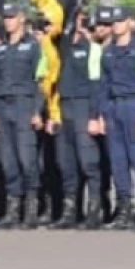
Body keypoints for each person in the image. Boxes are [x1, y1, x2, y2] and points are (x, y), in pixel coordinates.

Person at [0, 3, 47, 226]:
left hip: (24, 104)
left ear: (22, 19)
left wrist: (37, 111)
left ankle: (32, 206)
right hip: (3, 105)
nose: (8, 21)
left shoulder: (33, 46)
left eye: (12, 17)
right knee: (7, 159)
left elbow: (40, 81)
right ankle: (13, 207)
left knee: (26, 158)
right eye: (6, 17)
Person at [98, 8, 135, 230]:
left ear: (130, 23)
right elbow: (103, 86)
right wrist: (102, 114)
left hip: (134, 104)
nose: (116, 25)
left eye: (120, 21)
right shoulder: (108, 52)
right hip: (114, 106)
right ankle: (123, 207)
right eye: (113, 21)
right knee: (118, 159)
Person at [49, 11, 106, 228]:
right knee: (66, 163)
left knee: (89, 162)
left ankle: (94, 210)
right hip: (63, 107)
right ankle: (70, 211)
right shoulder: (56, 50)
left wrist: (94, 115)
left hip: (84, 106)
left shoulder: (92, 49)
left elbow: (96, 84)